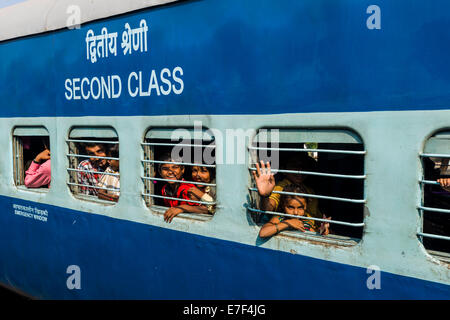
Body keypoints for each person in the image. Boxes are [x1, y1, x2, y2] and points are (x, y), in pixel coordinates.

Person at [252, 156, 323, 221]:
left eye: (303, 166)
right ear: (284, 170)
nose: (300, 170)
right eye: (294, 166)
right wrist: (265, 195)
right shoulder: (282, 187)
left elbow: (316, 216)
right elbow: (268, 207)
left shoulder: (309, 190)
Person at [259, 184, 331, 238]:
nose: (296, 213)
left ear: (306, 206)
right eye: (290, 207)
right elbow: (263, 233)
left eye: (300, 208)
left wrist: (322, 231)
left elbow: (313, 235)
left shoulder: (306, 221)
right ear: (283, 206)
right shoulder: (280, 218)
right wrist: (287, 223)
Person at [157, 154, 209, 223]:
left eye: (175, 167)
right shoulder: (164, 189)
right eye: (165, 169)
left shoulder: (188, 189)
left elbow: (206, 210)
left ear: (182, 170)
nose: (170, 172)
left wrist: (182, 208)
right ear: (160, 172)